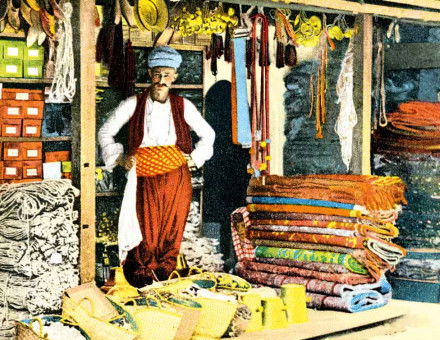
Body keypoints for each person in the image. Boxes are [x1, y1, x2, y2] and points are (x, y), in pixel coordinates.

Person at [98, 46, 215, 287]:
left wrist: (195, 157)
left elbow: (208, 135)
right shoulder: (133, 104)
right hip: (145, 177)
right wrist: (120, 158)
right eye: (157, 74)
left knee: (172, 230)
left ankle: (165, 278)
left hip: (176, 177)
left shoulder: (183, 105)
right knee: (146, 233)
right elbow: (105, 132)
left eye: (167, 75)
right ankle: (141, 279)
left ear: (175, 77)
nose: (161, 81)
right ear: (150, 73)